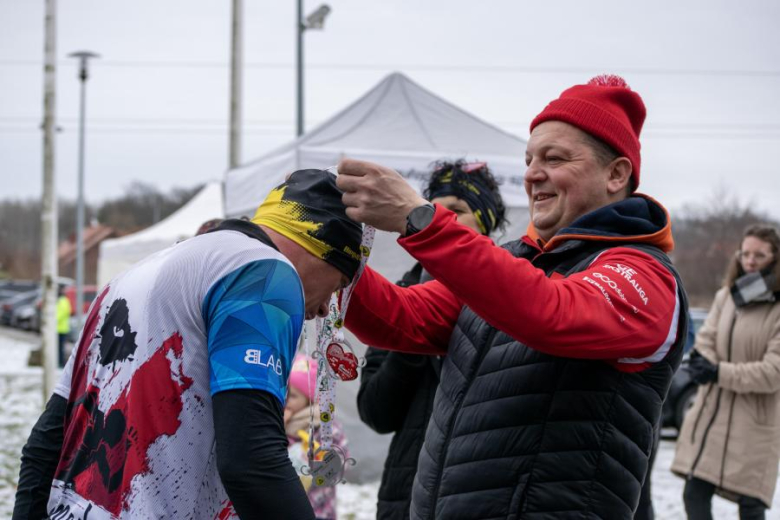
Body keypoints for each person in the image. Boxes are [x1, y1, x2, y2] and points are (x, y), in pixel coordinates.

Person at [337, 75, 690, 519]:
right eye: (528, 159)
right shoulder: (514, 263)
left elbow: (550, 313)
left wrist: (422, 220)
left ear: (616, 173)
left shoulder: (644, 273)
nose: (531, 174)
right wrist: (331, 253)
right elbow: (404, 317)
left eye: (554, 158)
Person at [13, 169, 362, 520]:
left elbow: (45, 443)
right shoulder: (265, 274)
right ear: (321, 248)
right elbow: (251, 461)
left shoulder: (129, 278)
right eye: (338, 285)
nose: (322, 310)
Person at [356, 160, 507, 520]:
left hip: (482, 493)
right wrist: (413, 336)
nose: (444, 216)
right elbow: (376, 413)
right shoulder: (399, 296)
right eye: (434, 207)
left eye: (459, 210)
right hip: (406, 495)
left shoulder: (509, 298)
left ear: (484, 224)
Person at [672, 224, 780, 520]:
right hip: (713, 415)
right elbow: (706, 341)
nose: (750, 261)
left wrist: (719, 372)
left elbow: (773, 372)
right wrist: (701, 362)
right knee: (694, 493)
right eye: (745, 254)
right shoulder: (726, 297)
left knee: (751, 507)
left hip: (755, 424)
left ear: (775, 257)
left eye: (760, 255)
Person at [285, 354, 348, 520]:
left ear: (309, 398)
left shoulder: (325, 426)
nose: (285, 400)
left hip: (317, 511)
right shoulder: (276, 423)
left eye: (293, 395)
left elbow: (338, 467)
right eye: (284, 392)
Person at [56, 286, 72, 367]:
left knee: (59, 348)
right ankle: (60, 363)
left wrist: (53, 320)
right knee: (60, 348)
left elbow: (61, 314)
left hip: (60, 328)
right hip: (62, 328)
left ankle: (60, 363)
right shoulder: (65, 301)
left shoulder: (62, 301)